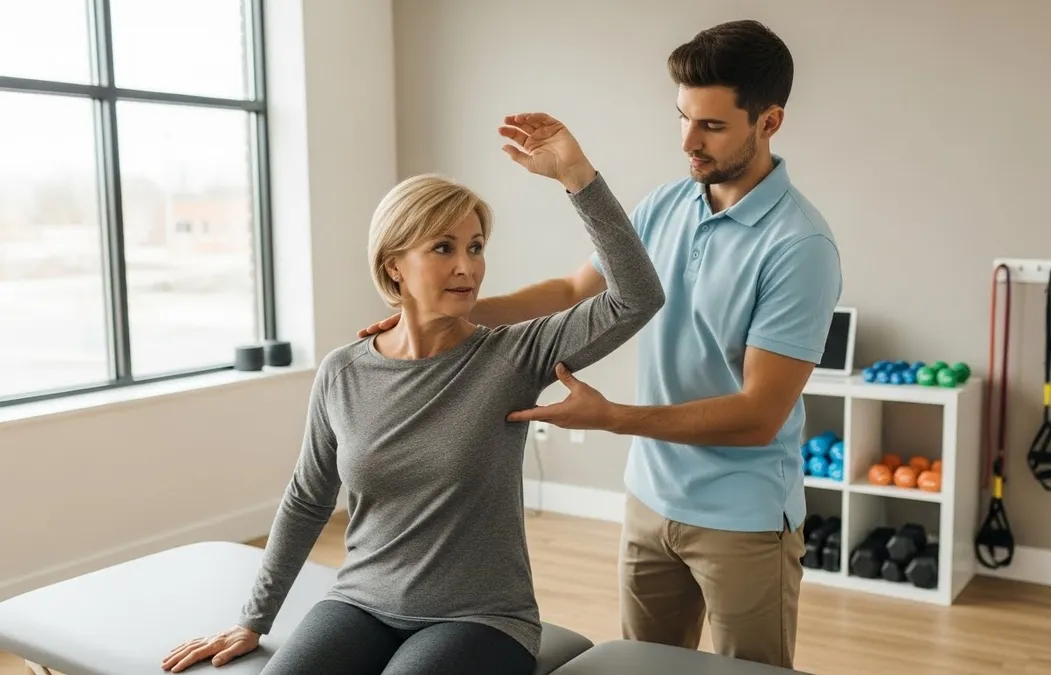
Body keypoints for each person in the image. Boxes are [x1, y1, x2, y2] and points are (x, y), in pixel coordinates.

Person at [360, 19, 842, 669]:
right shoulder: (665, 204)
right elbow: (570, 288)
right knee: (642, 665)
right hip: (649, 498)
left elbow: (760, 416)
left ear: (769, 121)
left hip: (744, 515)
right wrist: (435, 314)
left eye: (712, 126)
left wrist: (610, 418)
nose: (689, 143)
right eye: (682, 118)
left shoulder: (799, 246)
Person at [159, 113, 664, 675]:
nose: (468, 267)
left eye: (475, 247)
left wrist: (578, 178)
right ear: (394, 265)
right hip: (361, 602)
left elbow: (636, 296)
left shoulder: (513, 356)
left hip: (481, 617)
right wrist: (253, 621)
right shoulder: (343, 372)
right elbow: (307, 499)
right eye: (443, 248)